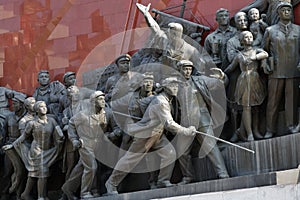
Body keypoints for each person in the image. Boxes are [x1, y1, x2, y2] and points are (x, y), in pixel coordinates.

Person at [105, 77, 196, 195]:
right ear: (165, 87)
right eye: (172, 85)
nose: (175, 88)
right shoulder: (161, 102)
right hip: (145, 135)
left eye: (177, 86)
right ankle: (111, 183)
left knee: (170, 154)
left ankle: (163, 180)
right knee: (130, 160)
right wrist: (186, 131)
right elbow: (169, 124)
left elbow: (144, 103)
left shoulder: (164, 99)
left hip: (157, 134)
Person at [175, 60, 229, 185]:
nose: (187, 71)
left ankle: (223, 173)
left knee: (211, 147)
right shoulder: (175, 85)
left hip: (202, 120)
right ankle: (188, 176)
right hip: (185, 123)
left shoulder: (200, 80)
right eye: (184, 69)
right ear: (179, 70)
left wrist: (222, 76)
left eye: (189, 69)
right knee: (182, 151)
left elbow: (220, 83)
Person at [62, 91, 121, 199]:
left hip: (99, 144)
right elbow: (71, 124)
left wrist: (113, 134)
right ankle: (85, 192)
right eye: (100, 99)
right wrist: (74, 139)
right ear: (93, 102)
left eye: (104, 99)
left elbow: (116, 127)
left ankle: (68, 188)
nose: (103, 101)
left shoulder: (108, 113)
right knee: (91, 167)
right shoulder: (83, 114)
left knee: (81, 167)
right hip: (85, 143)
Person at [261, 2, 300, 138]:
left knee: (292, 101)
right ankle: (270, 129)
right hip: (276, 71)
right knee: (273, 102)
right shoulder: (270, 31)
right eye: (283, 10)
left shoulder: (298, 30)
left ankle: (292, 125)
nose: (287, 12)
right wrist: (265, 64)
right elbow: (263, 51)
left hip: (293, 69)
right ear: (278, 13)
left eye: (289, 10)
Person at [13, 101, 64, 200]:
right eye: (41, 107)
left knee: (34, 173)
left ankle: (25, 194)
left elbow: (58, 132)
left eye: (45, 106)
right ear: (36, 110)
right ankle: (41, 196)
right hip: (36, 150)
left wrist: (60, 138)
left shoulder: (52, 121)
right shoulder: (32, 123)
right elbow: (24, 136)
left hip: (48, 150)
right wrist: (12, 144)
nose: (44, 108)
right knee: (42, 172)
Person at [136, 3, 208, 72]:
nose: (169, 35)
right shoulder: (164, 40)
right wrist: (146, 14)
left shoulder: (190, 50)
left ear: (178, 34)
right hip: (162, 76)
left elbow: (201, 67)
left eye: (172, 34)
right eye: (169, 33)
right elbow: (155, 28)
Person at [225, 31, 269, 141]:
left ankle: (255, 130)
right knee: (247, 107)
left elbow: (265, 54)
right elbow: (231, 67)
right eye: (246, 37)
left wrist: (255, 57)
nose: (249, 39)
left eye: (250, 37)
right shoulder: (239, 55)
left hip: (255, 79)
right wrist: (222, 73)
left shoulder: (256, 50)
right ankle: (249, 133)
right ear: (242, 40)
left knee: (256, 107)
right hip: (244, 80)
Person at [226, 11, 249, 140]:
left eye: (245, 19)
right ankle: (236, 131)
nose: (243, 22)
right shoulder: (232, 41)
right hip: (236, 74)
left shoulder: (253, 35)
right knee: (235, 106)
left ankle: (245, 130)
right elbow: (231, 57)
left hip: (252, 74)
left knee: (250, 105)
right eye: (239, 20)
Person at [1, 94, 27, 200]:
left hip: (22, 146)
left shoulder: (26, 118)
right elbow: (4, 132)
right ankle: (5, 192)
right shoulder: (9, 117)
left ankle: (18, 194)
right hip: (9, 146)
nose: (13, 105)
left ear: (21, 105)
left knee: (21, 171)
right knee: (8, 171)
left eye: (15, 103)